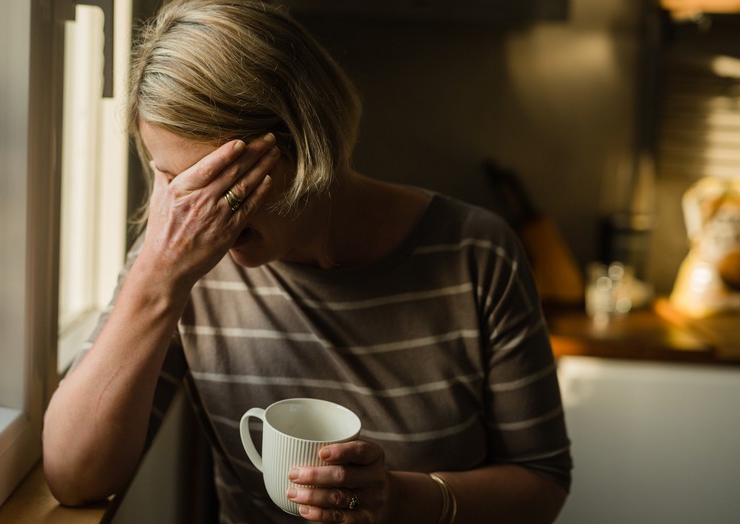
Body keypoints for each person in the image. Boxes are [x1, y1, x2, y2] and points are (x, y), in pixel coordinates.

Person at [42, 0, 572, 522]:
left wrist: (402, 500)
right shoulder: (177, 256)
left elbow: (541, 481)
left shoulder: (477, 254)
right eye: (175, 183)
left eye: (222, 184)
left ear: (307, 139)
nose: (202, 217)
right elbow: (76, 477)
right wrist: (156, 281)